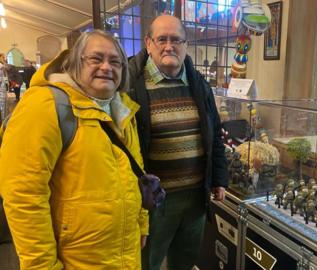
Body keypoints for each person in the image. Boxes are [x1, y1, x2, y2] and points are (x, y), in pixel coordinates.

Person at [0, 30, 149, 269]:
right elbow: (23, 196)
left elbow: (136, 173)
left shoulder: (122, 110)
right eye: (95, 58)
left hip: (123, 254)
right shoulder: (45, 105)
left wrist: (142, 222)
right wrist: (42, 266)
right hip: (75, 260)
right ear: (74, 62)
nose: (106, 67)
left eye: (115, 61)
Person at [128, 15, 228, 270]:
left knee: (185, 260)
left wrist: (218, 178)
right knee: (146, 261)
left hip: (194, 197)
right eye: (162, 39)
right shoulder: (131, 85)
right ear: (149, 44)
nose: (169, 46)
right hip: (153, 200)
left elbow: (214, 133)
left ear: (185, 44)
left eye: (176, 39)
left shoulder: (198, 84)